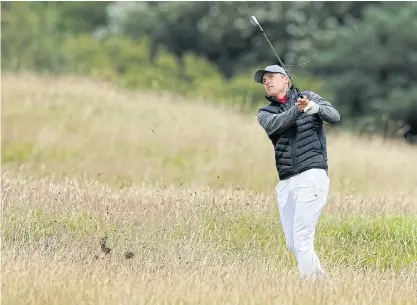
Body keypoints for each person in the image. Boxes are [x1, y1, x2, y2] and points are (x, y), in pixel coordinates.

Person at [254, 64, 340, 280]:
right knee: (293, 242)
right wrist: (298, 110)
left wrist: (314, 107)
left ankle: (314, 287)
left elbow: (334, 115)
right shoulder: (265, 112)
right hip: (286, 180)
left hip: (312, 173)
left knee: (302, 237)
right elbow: (275, 125)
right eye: (264, 80)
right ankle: (321, 281)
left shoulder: (308, 96)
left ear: (286, 80)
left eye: (271, 77)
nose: (267, 82)